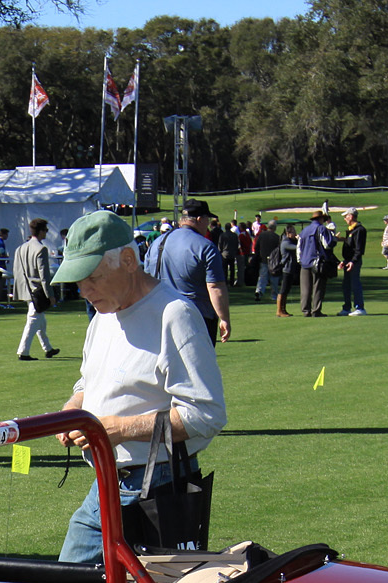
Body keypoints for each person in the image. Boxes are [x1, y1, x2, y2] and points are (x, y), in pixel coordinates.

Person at [48, 211, 225, 564]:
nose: (83, 290)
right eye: (78, 281)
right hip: (113, 482)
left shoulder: (174, 314)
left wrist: (120, 429)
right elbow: (91, 381)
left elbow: (206, 414)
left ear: (128, 261)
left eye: (92, 278)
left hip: (154, 486)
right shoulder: (103, 316)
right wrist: (74, 409)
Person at [145, 201, 230, 343]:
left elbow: (146, 280)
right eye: (207, 220)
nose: (208, 225)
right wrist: (225, 318)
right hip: (197, 318)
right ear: (199, 219)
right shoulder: (206, 247)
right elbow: (215, 287)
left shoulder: (157, 243)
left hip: (160, 316)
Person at [13, 216, 60, 366]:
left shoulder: (20, 248)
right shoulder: (41, 249)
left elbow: (17, 270)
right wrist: (50, 295)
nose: (46, 233)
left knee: (40, 320)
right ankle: (23, 351)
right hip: (37, 291)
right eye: (45, 230)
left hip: (25, 289)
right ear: (40, 231)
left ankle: (48, 348)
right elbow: (44, 275)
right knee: (33, 321)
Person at [297, 212, 333, 318]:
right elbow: (327, 245)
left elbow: (299, 248)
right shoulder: (321, 229)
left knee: (305, 289)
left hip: (304, 262)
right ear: (321, 219)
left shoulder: (304, 231)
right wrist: (334, 239)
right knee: (318, 287)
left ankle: (305, 310)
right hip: (317, 262)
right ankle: (316, 310)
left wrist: (301, 261)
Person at [338, 209, 367, 316]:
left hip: (354, 262)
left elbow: (359, 249)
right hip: (347, 261)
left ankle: (360, 308)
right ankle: (346, 307)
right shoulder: (351, 230)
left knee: (355, 284)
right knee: (346, 285)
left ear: (350, 216)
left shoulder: (359, 230)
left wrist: (353, 261)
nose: (345, 218)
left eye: (346, 216)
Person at [272, 226, 298, 317]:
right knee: (283, 290)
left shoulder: (289, 241)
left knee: (286, 290)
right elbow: (297, 247)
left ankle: (283, 309)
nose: (295, 234)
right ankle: (279, 310)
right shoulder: (285, 242)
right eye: (293, 232)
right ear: (288, 234)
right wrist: (301, 240)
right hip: (286, 269)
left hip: (290, 268)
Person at [252, 218, 281, 302]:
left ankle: (259, 291)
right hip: (274, 261)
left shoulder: (262, 235)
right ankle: (274, 295)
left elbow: (256, 247)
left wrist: (258, 256)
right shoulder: (276, 237)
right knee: (274, 278)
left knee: (262, 277)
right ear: (275, 227)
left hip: (263, 259)